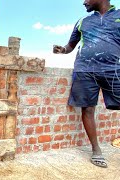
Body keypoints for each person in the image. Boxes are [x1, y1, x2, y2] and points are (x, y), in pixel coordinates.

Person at [53, 0, 120, 168]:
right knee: (87, 108)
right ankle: (96, 150)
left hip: (114, 71)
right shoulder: (82, 21)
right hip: (84, 70)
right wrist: (62, 50)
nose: (84, 2)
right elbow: (70, 46)